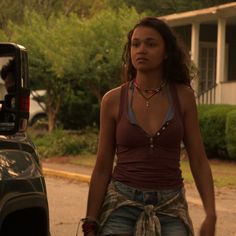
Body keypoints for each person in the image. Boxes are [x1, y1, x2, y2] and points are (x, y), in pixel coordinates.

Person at [82, 17, 216, 236]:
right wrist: (90, 221)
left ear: (166, 52)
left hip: (170, 205)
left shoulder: (183, 97)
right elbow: (103, 165)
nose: (141, 50)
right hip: (121, 203)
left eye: (150, 44)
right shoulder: (113, 100)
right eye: (136, 44)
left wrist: (211, 215)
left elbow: (199, 160)